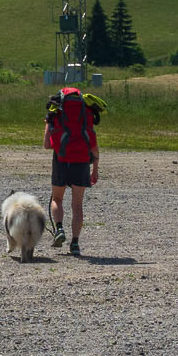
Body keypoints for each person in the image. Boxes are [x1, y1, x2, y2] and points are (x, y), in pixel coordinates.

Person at [44, 85, 104, 256]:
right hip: (82, 161)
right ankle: (75, 244)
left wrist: (48, 125)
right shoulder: (86, 115)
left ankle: (59, 229)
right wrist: (95, 169)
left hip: (61, 160)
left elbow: (47, 145)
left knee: (57, 198)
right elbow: (94, 146)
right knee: (77, 205)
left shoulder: (55, 113)